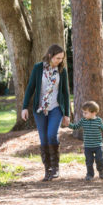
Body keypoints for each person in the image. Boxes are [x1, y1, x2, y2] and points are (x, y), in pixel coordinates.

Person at [22, 44, 71, 181]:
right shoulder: (38, 68)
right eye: (57, 58)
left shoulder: (62, 71)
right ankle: (47, 169)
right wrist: (24, 107)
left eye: (61, 58)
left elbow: (65, 93)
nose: (59, 61)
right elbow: (30, 88)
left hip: (56, 108)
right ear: (50, 55)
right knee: (43, 138)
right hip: (40, 109)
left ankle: (55, 168)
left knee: (51, 135)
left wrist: (66, 114)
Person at [66, 100, 103, 180]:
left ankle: (101, 170)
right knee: (89, 161)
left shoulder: (98, 120)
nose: (83, 114)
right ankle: (90, 175)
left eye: (85, 113)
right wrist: (68, 124)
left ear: (93, 112)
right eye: (83, 112)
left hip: (98, 145)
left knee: (99, 160)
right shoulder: (83, 121)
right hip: (88, 146)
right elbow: (75, 127)